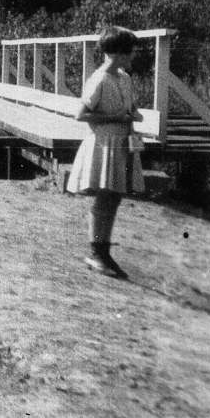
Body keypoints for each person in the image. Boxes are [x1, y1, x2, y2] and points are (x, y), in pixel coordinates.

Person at [66, 26, 143, 278]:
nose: (132, 56)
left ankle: (104, 251)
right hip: (103, 143)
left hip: (121, 142)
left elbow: (129, 107)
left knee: (114, 197)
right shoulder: (98, 78)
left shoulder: (125, 78)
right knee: (104, 197)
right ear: (118, 53)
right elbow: (81, 115)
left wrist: (133, 114)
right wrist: (115, 116)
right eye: (129, 52)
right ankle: (96, 252)